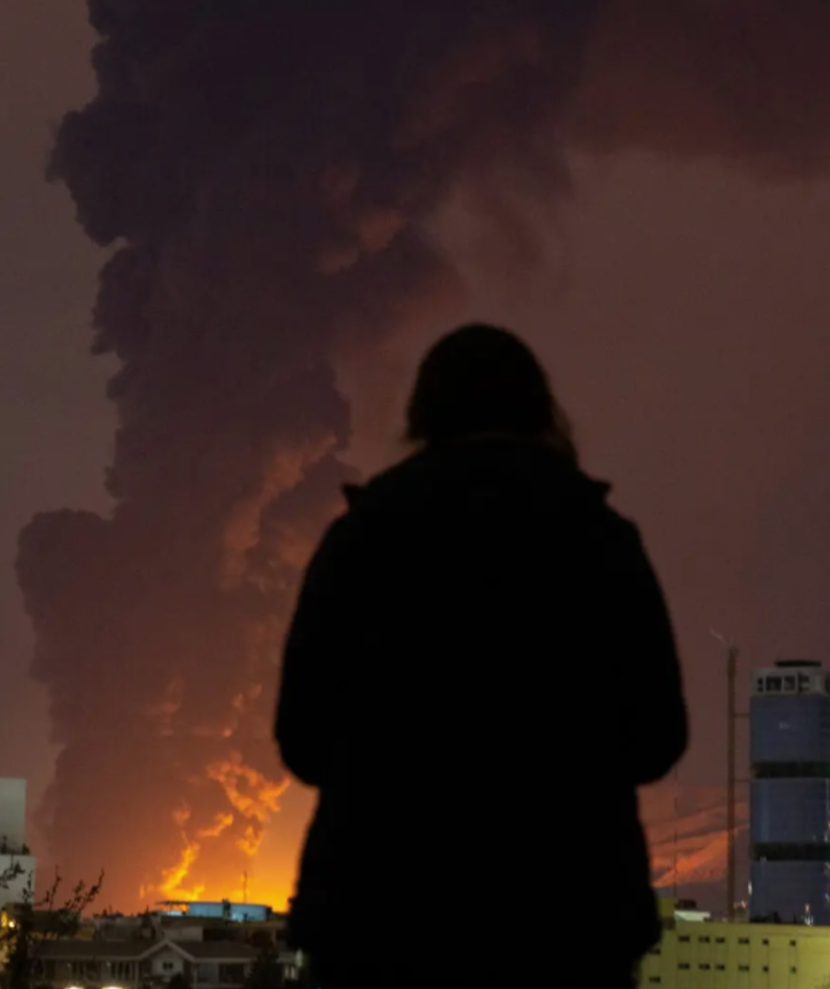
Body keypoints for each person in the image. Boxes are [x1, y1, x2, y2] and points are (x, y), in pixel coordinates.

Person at [276, 324, 688, 989]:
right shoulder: (599, 541)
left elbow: (301, 741)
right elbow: (658, 739)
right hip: (565, 925)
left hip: (380, 920)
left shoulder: (363, 539)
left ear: (422, 417)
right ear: (540, 412)